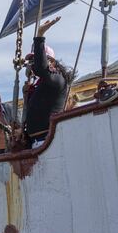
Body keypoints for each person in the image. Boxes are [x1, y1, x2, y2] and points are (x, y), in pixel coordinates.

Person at [24, 16, 76, 148]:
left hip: (48, 142)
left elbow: (41, 68)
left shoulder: (57, 79)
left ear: (51, 61)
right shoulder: (42, 84)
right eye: (30, 62)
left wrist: (40, 36)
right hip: (37, 142)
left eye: (34, 61)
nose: (32, 65)